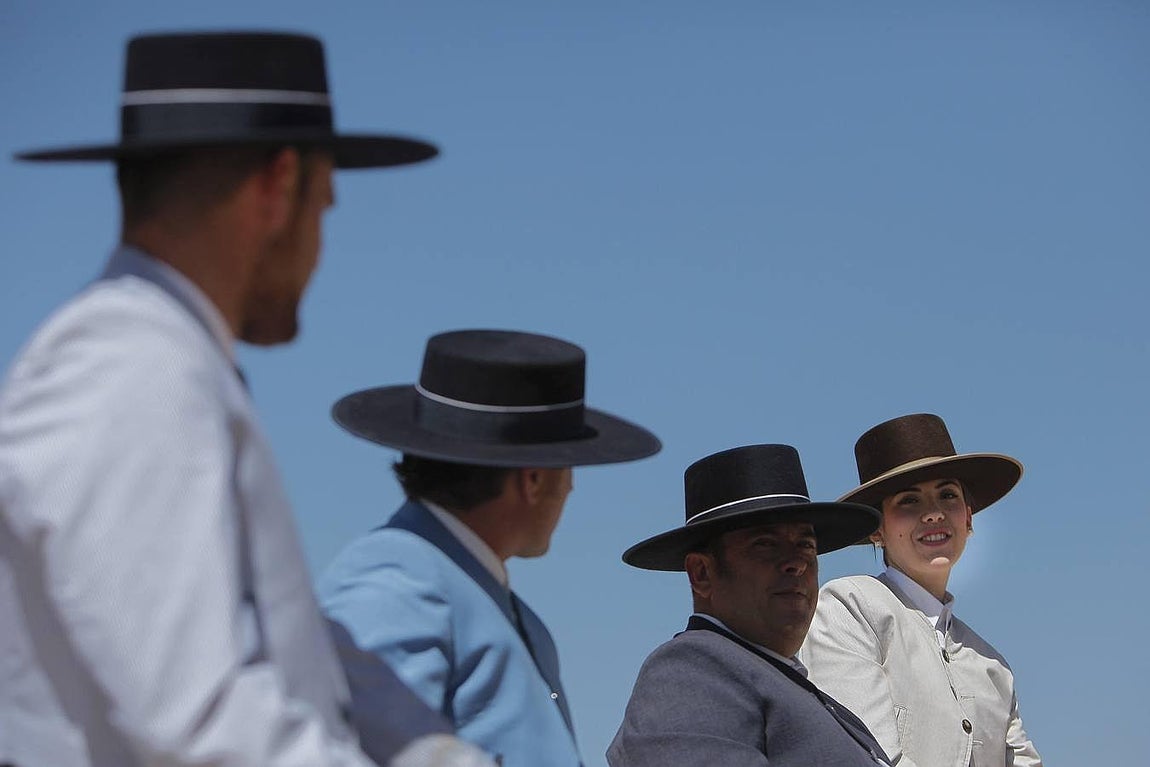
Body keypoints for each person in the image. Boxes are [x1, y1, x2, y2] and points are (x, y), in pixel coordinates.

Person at [0, 31, 491, 767]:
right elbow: (197, 720)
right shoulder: (131, 367)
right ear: (277, 186)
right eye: (323, 207)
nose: (321, 247)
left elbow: (299, 652)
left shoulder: (156, 359)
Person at [319, 329, 662, 767]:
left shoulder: (484, 598)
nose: (573, 486)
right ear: (533, 479)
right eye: (569, 466)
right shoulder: (396, 579)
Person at [607, 444, 890, 766]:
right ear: (701, 572)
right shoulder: (692, 668)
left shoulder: (804, 693)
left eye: (806, 545)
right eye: (765, 544)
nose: (796, 562)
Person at [799, 413, 1043, 766]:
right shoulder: (849, 608)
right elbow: (866, 754)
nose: (933, 514)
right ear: (877, 529)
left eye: (947, 495)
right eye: (909, 501)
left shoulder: (992, 666)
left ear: (969, 519)